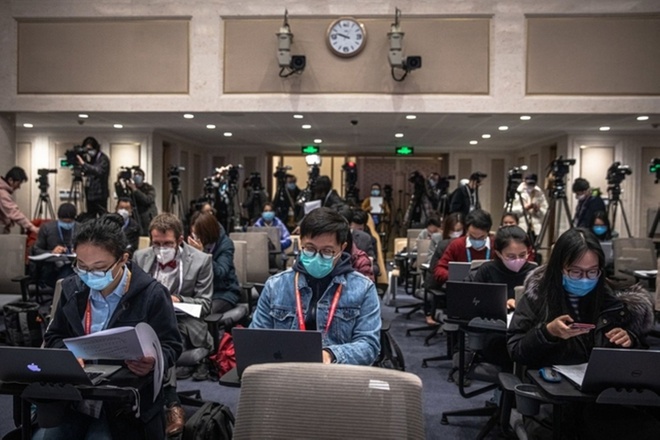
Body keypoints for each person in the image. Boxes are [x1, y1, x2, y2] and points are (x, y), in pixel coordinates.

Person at [41, 214, 183, 440]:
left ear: (123, 259)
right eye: (82, 266)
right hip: (75, 396)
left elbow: (171, 344)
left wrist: (153, 361)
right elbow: (54, 336)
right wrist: (66, 354)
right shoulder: (72, 289)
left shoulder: (151, 294)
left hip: (123, 402)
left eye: (99, 268)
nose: (89, 275)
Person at [507, 228, 657, 439]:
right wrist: (547, 332)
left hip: (602, 401)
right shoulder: (538, 297)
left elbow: (641, 361)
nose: (585, 279)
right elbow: (516, 349)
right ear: (560, 268)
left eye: (592, 271)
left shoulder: (615, 302)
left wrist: (629, 339)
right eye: (575, 272)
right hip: (553, 402)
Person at [250, 207, 381, 365]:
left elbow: (369, 346)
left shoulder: (363, 288)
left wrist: (331, 355)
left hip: (338, 374)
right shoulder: (275, 286)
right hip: (286, 372)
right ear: (301, 242)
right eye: (310, 249)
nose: (317, 257)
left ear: (342, 248)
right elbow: (256, 339)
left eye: (327, 251)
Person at [133, 213, 213, 435]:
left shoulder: (201, 260)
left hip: (185, 322)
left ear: (179, 240)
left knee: (161, 339)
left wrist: (178, 300)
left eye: (167, 244)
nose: (161, 249)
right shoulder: (140, 257)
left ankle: (171, 403)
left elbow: (206, 305)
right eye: (156, 243)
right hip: (147, 321)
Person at [467, 225, 536, 310]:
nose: (518, 260)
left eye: (522, 255)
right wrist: (498, 304)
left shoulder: (535, 273)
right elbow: (474, 301)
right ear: (499, 253)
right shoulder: (487, 271)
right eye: (511, 256)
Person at [187, 211, 241, 314]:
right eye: (193, 234)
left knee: (202, 312)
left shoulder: (225, 244)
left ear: (206, 233)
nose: (196, 238)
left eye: (198, 235)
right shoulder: (195, 244)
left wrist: (203, 254)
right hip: (200, 293)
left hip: (223, 293)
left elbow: (221, 272)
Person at [432, 209, 495, 286]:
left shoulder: (496, 245)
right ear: (466, 231)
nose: (476, 240)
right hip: (461, 287)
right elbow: (439, 269)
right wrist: (454, 276)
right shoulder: (456, 245)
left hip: (489, 288)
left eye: (481, 237)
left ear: (488, 232)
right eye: (472, 236)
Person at [31, 203, 78, 287]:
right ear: (58, 218)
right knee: (66, 273)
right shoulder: (47, 228)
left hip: (74, 265)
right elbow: (36, 250)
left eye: (69, 222)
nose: (67, 224)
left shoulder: (80, 228)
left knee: (69, 271)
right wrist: (51, 252)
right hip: (52, 268)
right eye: (64, 222)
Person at [77, 136, 110, 219]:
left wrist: (84, 164)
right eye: (86, 150)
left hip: (100, 194)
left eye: (90, 149)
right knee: (90, 217)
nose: (88, 152)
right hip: (90, 194)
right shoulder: (92, 159)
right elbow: (88, 172)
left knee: (103, 216)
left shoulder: (103, 158)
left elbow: (99, 171)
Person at [0, 166, 39, 235]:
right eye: (18, 183)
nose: (19, 187)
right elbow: (14, 213)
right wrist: (32, 228)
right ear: (10, 180)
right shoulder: (2, 194)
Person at [126, 167, 158, 235]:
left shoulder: (149, 188)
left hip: (147, 219)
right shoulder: (130, 189)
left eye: (139, 174)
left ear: (143, 178)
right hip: (135, 217)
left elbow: (147, 200)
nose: (137, 176)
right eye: (135, 174)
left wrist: (135, 190)